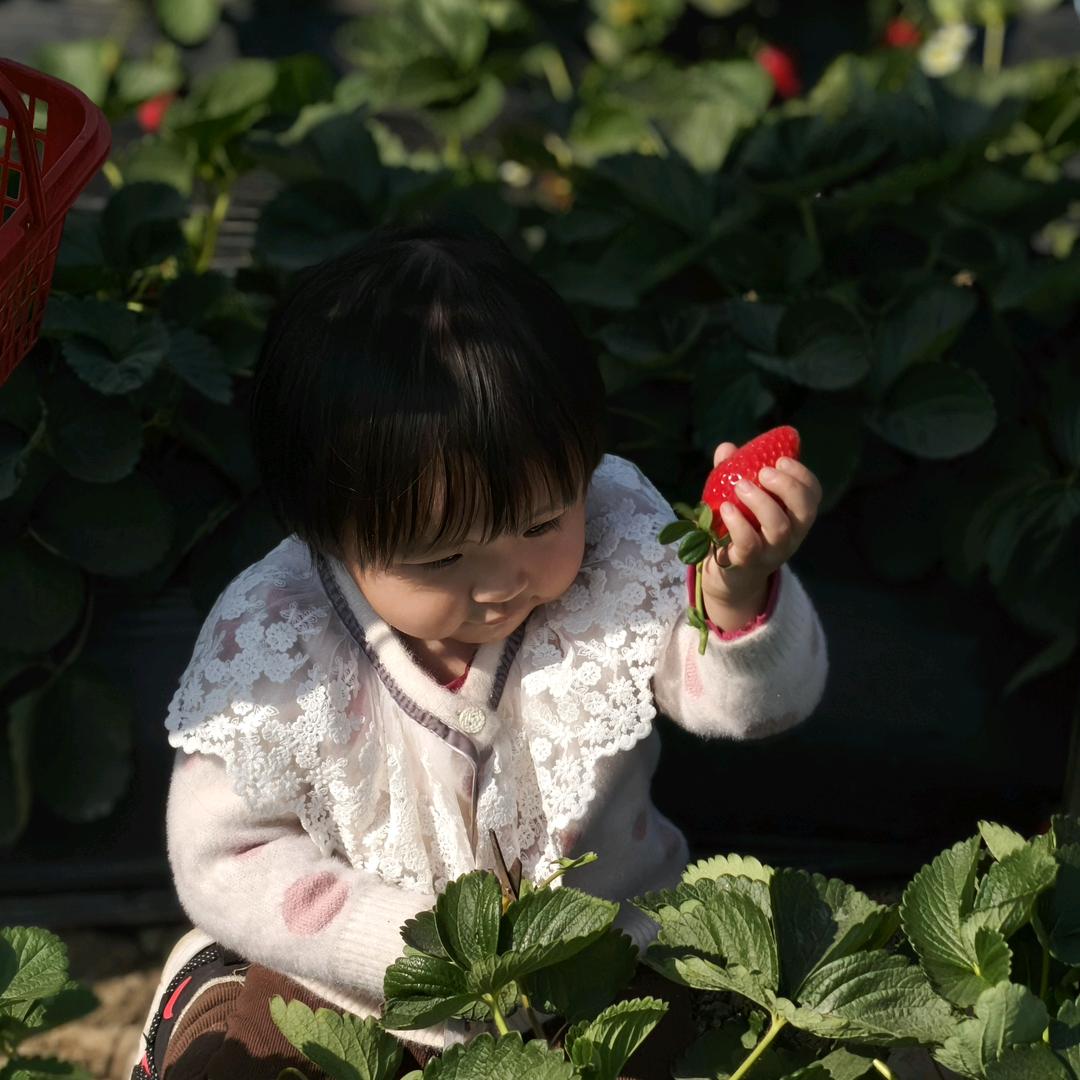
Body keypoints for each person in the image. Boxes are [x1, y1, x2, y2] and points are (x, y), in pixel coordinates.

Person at [133, 214, 828, 1079]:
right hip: (361, 982)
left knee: (705, 1045)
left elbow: (753, 705)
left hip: (600, 956)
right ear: (329, 531)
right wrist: (406, 948)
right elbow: (223, 856)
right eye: (440, 558)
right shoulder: (276, 640)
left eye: (542, 521)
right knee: (241, 1057)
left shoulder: (619, 548)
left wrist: (732, 595)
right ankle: (196, 1000)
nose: (501, 581)